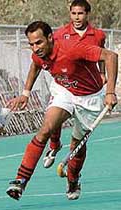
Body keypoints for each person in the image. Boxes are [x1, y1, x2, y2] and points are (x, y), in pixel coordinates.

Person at [6, 21, 117, 201]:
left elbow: (111, 56)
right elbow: (35, 64)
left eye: (39, 43)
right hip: (64, 90)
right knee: (45, 129)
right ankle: (21, 180)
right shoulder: (39, 54)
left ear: (50, 38)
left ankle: (73, 179)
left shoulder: (72, 48)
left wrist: (110, 92)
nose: (35, 48)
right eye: (31, 44)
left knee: (77, 146)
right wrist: (25, 94)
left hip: (90, 98)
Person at [42, 0, 107, 169]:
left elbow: (104, 55)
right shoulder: (59, 34)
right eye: (73, 13)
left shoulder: (98, 35)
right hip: (65, 84)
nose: (76, 17)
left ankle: (73, 178)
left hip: (87, 90)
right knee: (54, 116)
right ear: (69, 13)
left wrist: (102, 73)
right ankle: (54, 145)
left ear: (87, 14)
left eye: (80, 13)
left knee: (79, 139)